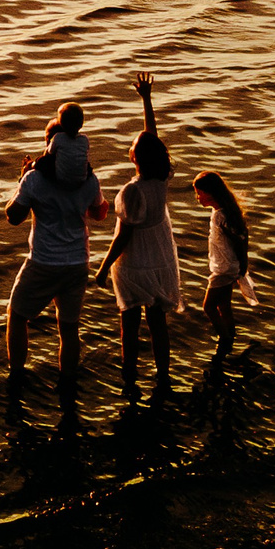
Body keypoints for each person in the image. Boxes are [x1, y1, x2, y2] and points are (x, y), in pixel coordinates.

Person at [5, 105, 108, 390]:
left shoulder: (35, 179)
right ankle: (68, 385)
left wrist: (22, 180)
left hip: (44, 262)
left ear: (50, 144)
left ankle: (16, 379)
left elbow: (13, 217)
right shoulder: (89, 180)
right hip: (77, 263)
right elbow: (100, 214)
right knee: (69, 328)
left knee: (17, 316)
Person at [93, 72, 182, 399]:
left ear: (135, 158)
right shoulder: (160, 180)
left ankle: (129, 381)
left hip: (133, 267)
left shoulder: (132, 191)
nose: (131, 145)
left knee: (128, 327)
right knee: (158, 324)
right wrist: (146, 99)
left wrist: (103, 269)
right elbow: (152, 137)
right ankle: (163, 377)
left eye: (132, 146)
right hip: (159, 260)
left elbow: (122, 238)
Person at [194, 169, 257, 363]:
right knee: (224, 306)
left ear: (211, 193)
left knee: (208, 307)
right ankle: (231, 335)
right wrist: (241, 263)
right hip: (229, 266)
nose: (197, 197)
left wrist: (242, 262)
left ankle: (225, 340)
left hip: (223, 269)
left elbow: (240, 238)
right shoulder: (222, 212)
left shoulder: (220, 216)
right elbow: (242, 235)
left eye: (199, 193)